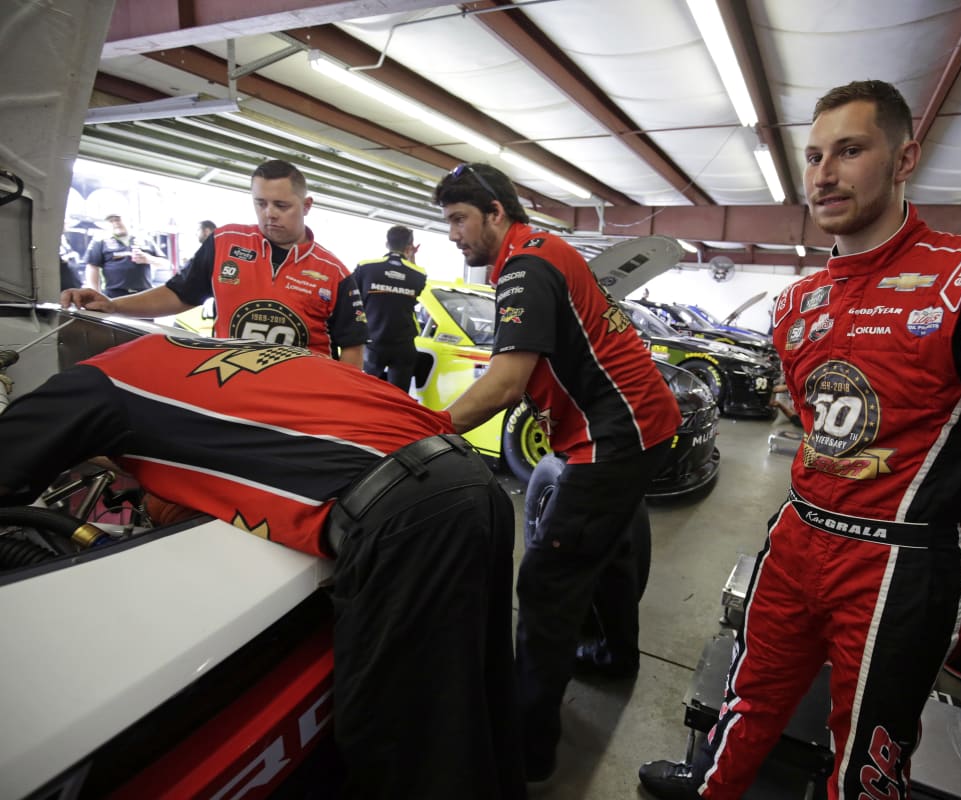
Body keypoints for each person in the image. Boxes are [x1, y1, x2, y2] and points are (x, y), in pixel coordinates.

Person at [638, 79, 961, 799]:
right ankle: (710, 786)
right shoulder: (797, 300)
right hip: (798, 533)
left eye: (849, 151)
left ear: (904, 158)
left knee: (868, 753)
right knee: (749, 689)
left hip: (901, 559)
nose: (824, 173)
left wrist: (960, 519)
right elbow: (810, 414)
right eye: (814, 156)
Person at [0, 333, 524, 800]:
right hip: (467, 479)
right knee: (478, 694)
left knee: (400, 734)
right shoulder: (197, 354)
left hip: (406, 516)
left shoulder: (94, 383)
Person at [432, 162, 682, 783]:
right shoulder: (547, 250)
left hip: (612, 436)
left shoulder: (525, 265)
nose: (453, 234)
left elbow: (506, 382)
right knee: (611, 549)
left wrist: (426, 430)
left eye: (459, 219)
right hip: (644, 425)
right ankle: (614, 655)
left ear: (495, 212)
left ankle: (528, 751)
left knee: (548, 582)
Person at [61, 160, 367, 368]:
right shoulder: (225, 242)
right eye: (260, 203)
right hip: (229, 381)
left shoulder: (333, 271)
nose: (269, 214)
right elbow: (179, 293)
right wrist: (113, 306)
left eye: (281, 205)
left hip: (302, 395)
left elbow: (353, 348)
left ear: (307, 205)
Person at [353, 224, 428, 390]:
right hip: (404, 344)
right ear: (409, 247)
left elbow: (352, 298)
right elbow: (416, 290)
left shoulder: (365, 267)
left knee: (367, 392)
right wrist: (411, 258)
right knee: (399, 396)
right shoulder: (419, 274)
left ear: (387, 243)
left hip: (373, 341)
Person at [83, 213, 170, 296]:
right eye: (111, 221)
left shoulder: (144, 239)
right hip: (114, 294)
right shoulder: (100, 241)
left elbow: (165, 263)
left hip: (144, 292)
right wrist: (95, 293)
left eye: (118, 219)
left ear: (128, 220)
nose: (115, 223)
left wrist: (148, 259)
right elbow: (92, 267)